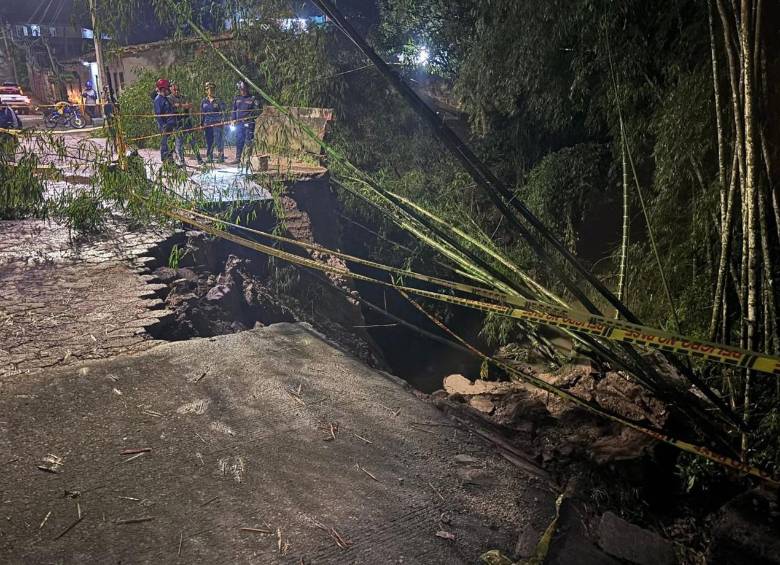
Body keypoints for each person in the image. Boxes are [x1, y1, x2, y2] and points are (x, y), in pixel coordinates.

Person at [169, 81, 203, 166]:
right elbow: (173, 106)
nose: (177, 91)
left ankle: (199, 159)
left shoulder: (184, 97)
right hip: (178, 123)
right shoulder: (169, 98)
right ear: (171, 90)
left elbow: (190, 105)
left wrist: (182, 105)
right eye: (175, 90)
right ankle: (181, 161)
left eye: (178, 89)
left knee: (193, 141)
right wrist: (182, 105)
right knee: (179, 143)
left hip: (187, 122)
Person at [230, 80, 259, 165]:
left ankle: (247, 159)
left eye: (244, 89)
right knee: (239, 140)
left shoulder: (252, 99)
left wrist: (251, 117)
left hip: (249, 123)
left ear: (247, 88)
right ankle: (238, 158)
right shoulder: (237, 98)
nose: (242, 91)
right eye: (241, 89)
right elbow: (234, 110)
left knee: (248, 141)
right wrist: (233, 119)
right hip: (239, 124)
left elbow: (258, 111)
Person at [201, 81, 226, 163]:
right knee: (209, 141)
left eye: (212, 89)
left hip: (217, 123)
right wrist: (201, 124)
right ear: (206, 91)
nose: (211, 91)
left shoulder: (218, 100)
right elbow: (202, 114)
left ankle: (220, 156)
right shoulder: (204, 101)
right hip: (207, 124)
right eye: (209, 89)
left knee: (219, 140)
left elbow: (223, 111)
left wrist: (223, 120)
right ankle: (209, 157)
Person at [153, 78, 177, 163]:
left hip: (170, 125)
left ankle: (170, 161)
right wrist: (163, 126)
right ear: (163, 88)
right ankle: (166, 163)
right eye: (167, 88)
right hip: (165, 127)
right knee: (165, 145)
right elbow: (158, 115)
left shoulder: (165, 98)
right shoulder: (158, 99)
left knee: (170, 145)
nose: (169, 90)